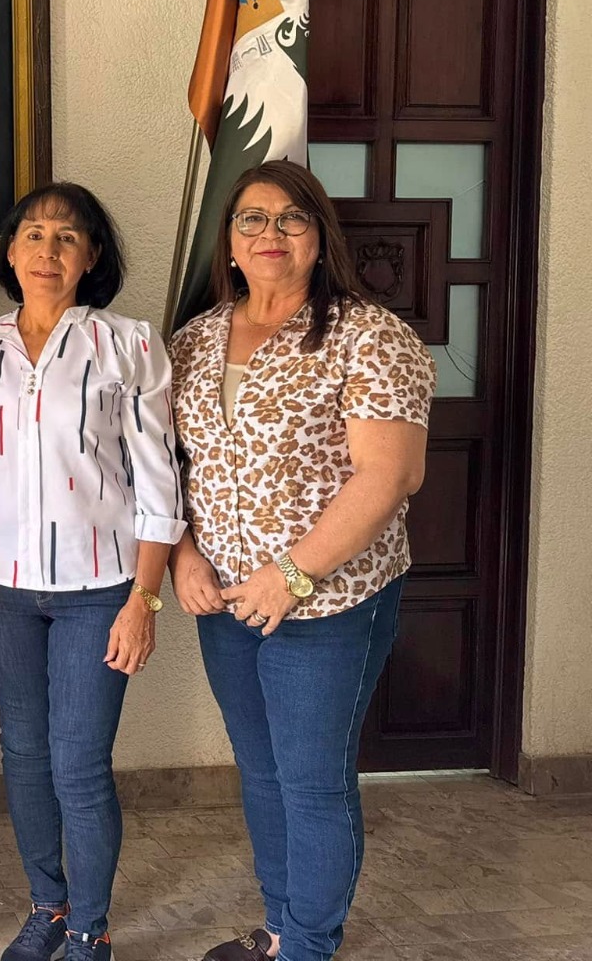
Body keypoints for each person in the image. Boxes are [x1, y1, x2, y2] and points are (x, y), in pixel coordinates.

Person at [168, 163, 435, 961]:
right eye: (252, 219)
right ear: (229, 240)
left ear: (320, 237)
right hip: (225, 600)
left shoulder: (368, 335)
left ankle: (310, 947)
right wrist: (183, 555)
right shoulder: (194, 339)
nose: (271, 234)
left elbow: (391, 474)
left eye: (292, 218)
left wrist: (291, 574)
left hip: (328, 602)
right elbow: (169, 468)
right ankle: (281, 929)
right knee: (260, 771)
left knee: (312, 780)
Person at [0, 182, 184, 961]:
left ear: (91, 257)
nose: (48, 250)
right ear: (11, 252)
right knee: (22, 752)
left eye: (67, 237)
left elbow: (159, 481)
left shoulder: (128, 345)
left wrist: (144, 600)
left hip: (100, 590)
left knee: (78, 763)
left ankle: (90, 927)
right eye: (34, 235)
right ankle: (48, 907)